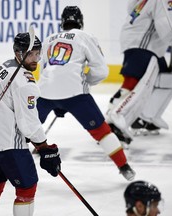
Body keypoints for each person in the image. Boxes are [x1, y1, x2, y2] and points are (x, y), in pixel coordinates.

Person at [37, 6, 135, 181]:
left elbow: (44, 70)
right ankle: (124, 166)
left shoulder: (48, 39)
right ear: (81, 22)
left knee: (25, 128)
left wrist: (55, 98)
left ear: (62, 22)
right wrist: (83, 81)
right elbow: (101, 71)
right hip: (75, 94)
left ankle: (8, 166)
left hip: (44, 93)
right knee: (101, 131)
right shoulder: (85, 37)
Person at [0, 32, 61, 216]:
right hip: (8, 145)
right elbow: (27, 122)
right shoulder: (25, 81)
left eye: (37, 53)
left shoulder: (1, 66)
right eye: (31, 54)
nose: (35, 59)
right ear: (18, 53)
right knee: (27, 189)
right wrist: (44, 146)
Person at [106, 0, 172, 143]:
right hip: (144, 45)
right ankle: (114, 122)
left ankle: (145, 117)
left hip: (137, 40)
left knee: (166, 78)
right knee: (139, 85)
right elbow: (167, 26)